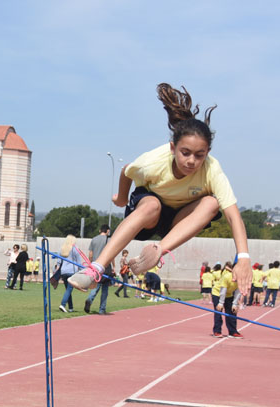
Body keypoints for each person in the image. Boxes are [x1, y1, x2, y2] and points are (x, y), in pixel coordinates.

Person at [69, 83, 252, 299]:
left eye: (199, 155)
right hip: (148, 215)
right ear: (173, 148)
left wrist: (244, 258)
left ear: (207, 152)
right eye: (185, 153)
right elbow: (126, 172)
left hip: (176, 221)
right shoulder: (153, 162)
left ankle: (157, 250)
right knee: (152, 204)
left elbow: (233, 215)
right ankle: (96, 268)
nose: (192, 161)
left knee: (212, 203)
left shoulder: (212, 169)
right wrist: (121, 198)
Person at [84, 224, 113, 314]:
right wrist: (113, 267)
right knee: (105, 289)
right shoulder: (109, 240)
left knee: (96, 285)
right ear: (107, 231)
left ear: (100, 230)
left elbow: (91, 254)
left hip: (96, 265)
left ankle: (90, 299)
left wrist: (90, 264)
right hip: (106, 266)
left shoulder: (94, 239)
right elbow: (112, 254)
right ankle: (102, 309)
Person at [213, 261, 243, 338]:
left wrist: (235, 304)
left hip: (229, 294)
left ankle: (232, 332)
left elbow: (238, 292)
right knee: (218, 311)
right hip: (217, 293)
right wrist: (220, 303)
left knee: (232, 312)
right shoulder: (227, 276)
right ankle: (217, 331)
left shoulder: (241, 278)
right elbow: (223, 291)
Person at [57, 235, 82, 313]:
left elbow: (58, 261)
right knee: (69, 289)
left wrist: (57, 271)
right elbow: (79, 262)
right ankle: (63, 304)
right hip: (72, 271)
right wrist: (81, 271)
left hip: (64, 271)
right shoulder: (75, 249)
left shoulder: (62, 248)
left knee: (68, 289)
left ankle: (70, 307)